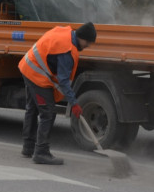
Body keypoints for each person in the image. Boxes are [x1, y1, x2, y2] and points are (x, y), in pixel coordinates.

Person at [18, 22, 97, 165]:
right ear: (82, 37)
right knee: (48, 112)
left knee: (32, 108)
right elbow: (63, 81)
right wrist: (74, 103)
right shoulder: (67, 51)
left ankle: (28, 148)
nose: (87, 46)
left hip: (27, 65)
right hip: (36, 74)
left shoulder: (65, 32)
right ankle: (41, 152)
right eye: (88, 43)